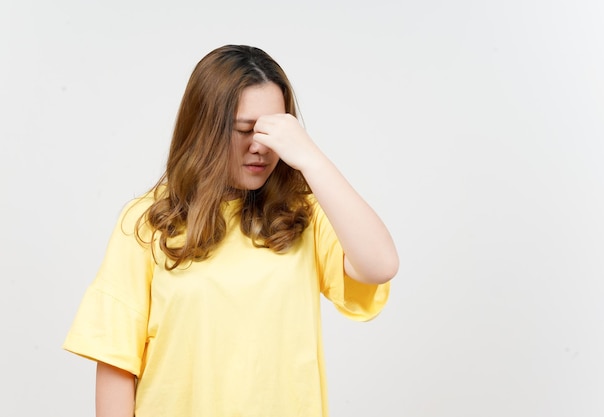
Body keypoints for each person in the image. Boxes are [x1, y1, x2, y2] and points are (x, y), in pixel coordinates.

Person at [63, 44, 399, 417]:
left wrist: (310, 158)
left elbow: (380, 264)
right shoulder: (149, 220)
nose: (261, 147)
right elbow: (116, 361)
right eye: (244, 130)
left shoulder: (304, 215)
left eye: (275, 131)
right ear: (205, 128)